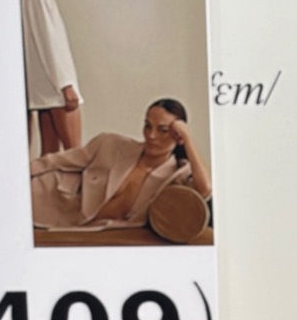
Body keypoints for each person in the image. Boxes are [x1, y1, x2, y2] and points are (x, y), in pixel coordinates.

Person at [29, 99, 212, 231]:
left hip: (90, 230)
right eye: (148, 126)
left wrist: (188, 139)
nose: (151, 135)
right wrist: (17, 175)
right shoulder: (110, 144)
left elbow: (205, 190)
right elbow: (55, 161)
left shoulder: (176, 176)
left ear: (178, 136)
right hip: (50, 200)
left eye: (162, 130)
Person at [20, 0, 82, 155]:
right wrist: (65, 85)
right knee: (75, 156)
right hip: (57, 88)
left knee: (50, 157)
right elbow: (48, 41)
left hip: (46, 89)